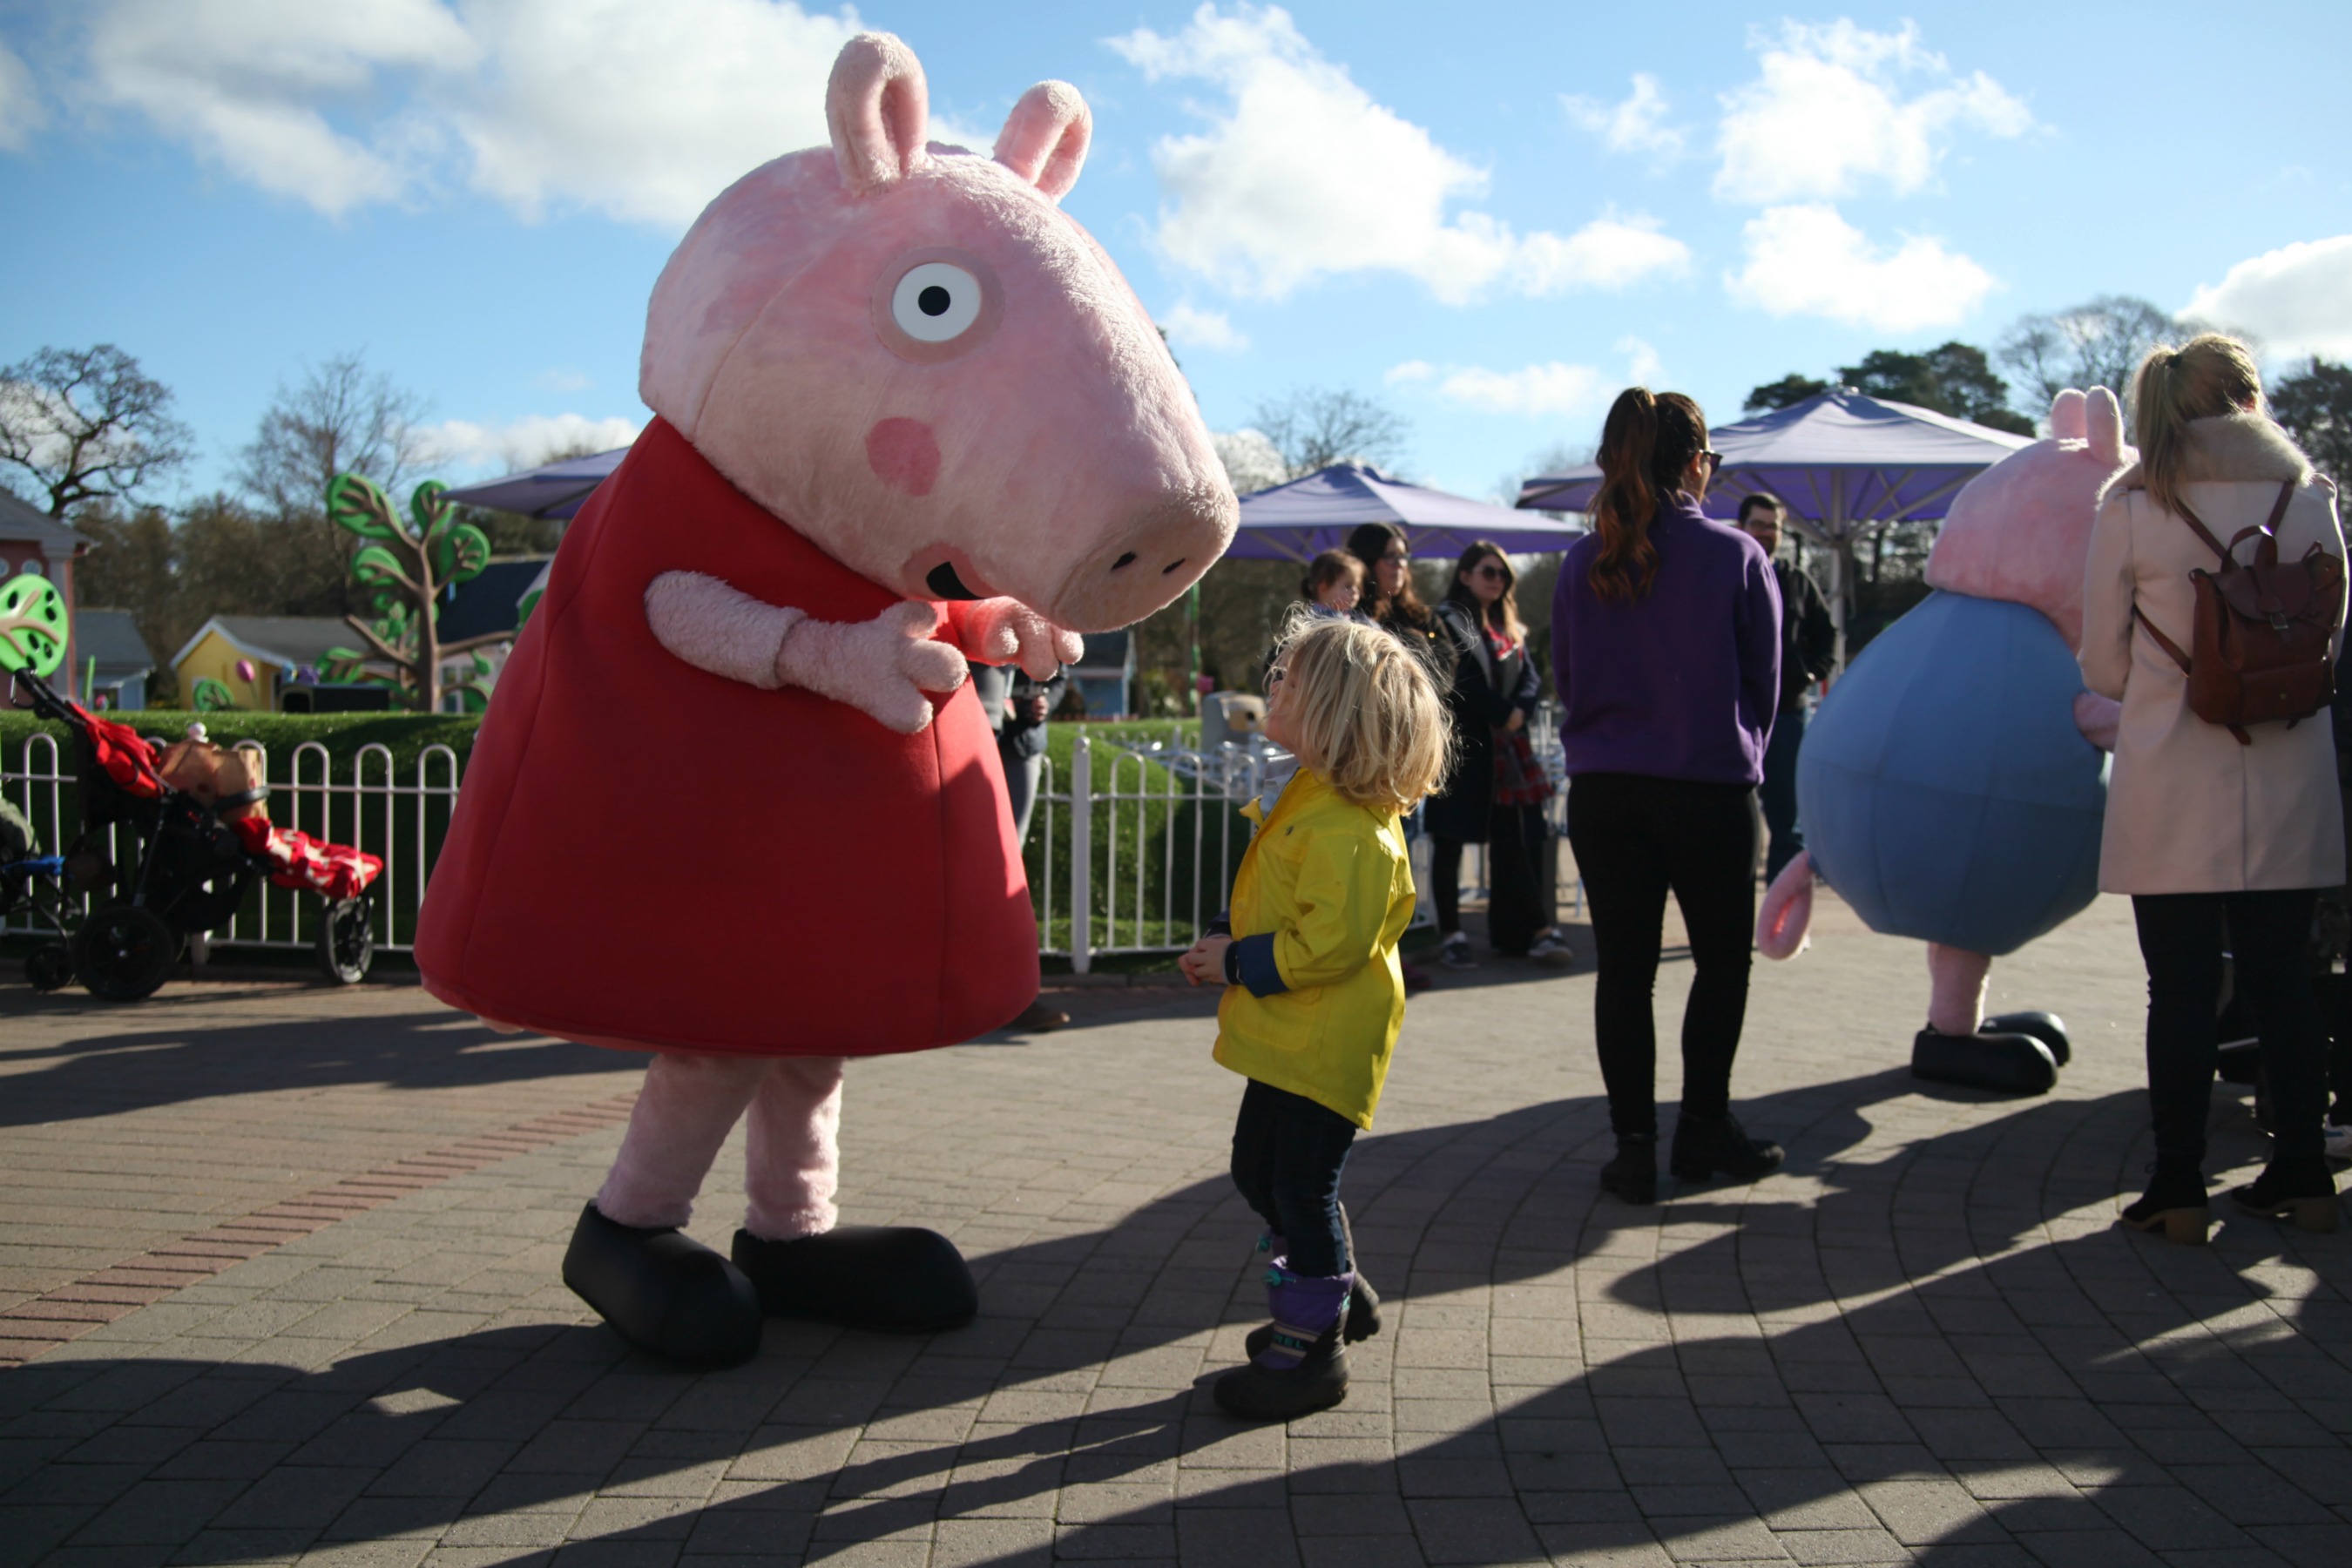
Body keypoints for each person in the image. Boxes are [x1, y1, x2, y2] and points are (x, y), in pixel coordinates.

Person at [2079, 334, 2345, 1241]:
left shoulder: (2133, 504)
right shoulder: (2309, 498)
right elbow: (2328, 641)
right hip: (2289, 766)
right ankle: (2304, 1173)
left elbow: (2103, 665)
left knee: (2181, 989)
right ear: (2247, 397)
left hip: (2172, 769)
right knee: (2286, 985)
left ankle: (2179, 1185)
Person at [1179, 614, 1452, 1420]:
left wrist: (1236, 960)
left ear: (1335, 710)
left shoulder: (1351, 829)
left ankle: (1311, 1351)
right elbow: (1292, 905)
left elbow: (1328, 946)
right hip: (1291, 1032)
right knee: (1257, 1171)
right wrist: (1232, 941)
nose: (1271, 689)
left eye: (1287, 682)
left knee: (1298, 1185)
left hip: (1326, 1038)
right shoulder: (1312, 792)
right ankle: (1332, 1289)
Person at [1553, 388, 1784, 1206]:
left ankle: (1632, 1146)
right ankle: (1703, 1127)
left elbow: (1567, 681)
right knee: (1721, 964)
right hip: (1708, 786)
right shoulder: (1735, 556)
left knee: (1625, 973)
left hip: (1607, 791)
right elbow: (1765, 685)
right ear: (1695, 464)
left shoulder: (1582, 563)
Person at [1428, 543, 1572, 969]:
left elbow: (1531, 676)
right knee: (1449, 841)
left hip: (1508, 753)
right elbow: (1455, 682)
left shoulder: (1510, 626)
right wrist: (1502, 711)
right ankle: (1451, 933)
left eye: (1503, 574)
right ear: (1467, 575)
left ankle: (1535, 931)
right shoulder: (1446, 622)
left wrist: (1519, 712)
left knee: (1518, 840)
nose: (1497, 580)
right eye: (1489, 572)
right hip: (1463, 750)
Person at [1736, 494, 1835, 884]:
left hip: (1787, 715)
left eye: (1772, 526)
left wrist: (1810, 675)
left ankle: (1779, 918)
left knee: (1786, 822)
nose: (1765, 533)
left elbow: (1827, 636)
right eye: (1758, 524)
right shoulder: (1727, 575)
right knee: (1734, 820)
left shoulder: (1796, 581)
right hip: (1737, 716)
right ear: (1742, 526)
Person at [971, 659, 1072, 1033]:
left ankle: (1011, 995)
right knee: (961, 865)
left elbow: (1060, 672)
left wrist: (1045, 698)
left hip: (1021, 743)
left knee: (1008, 873)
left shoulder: (1039, 608)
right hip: (964, 734)